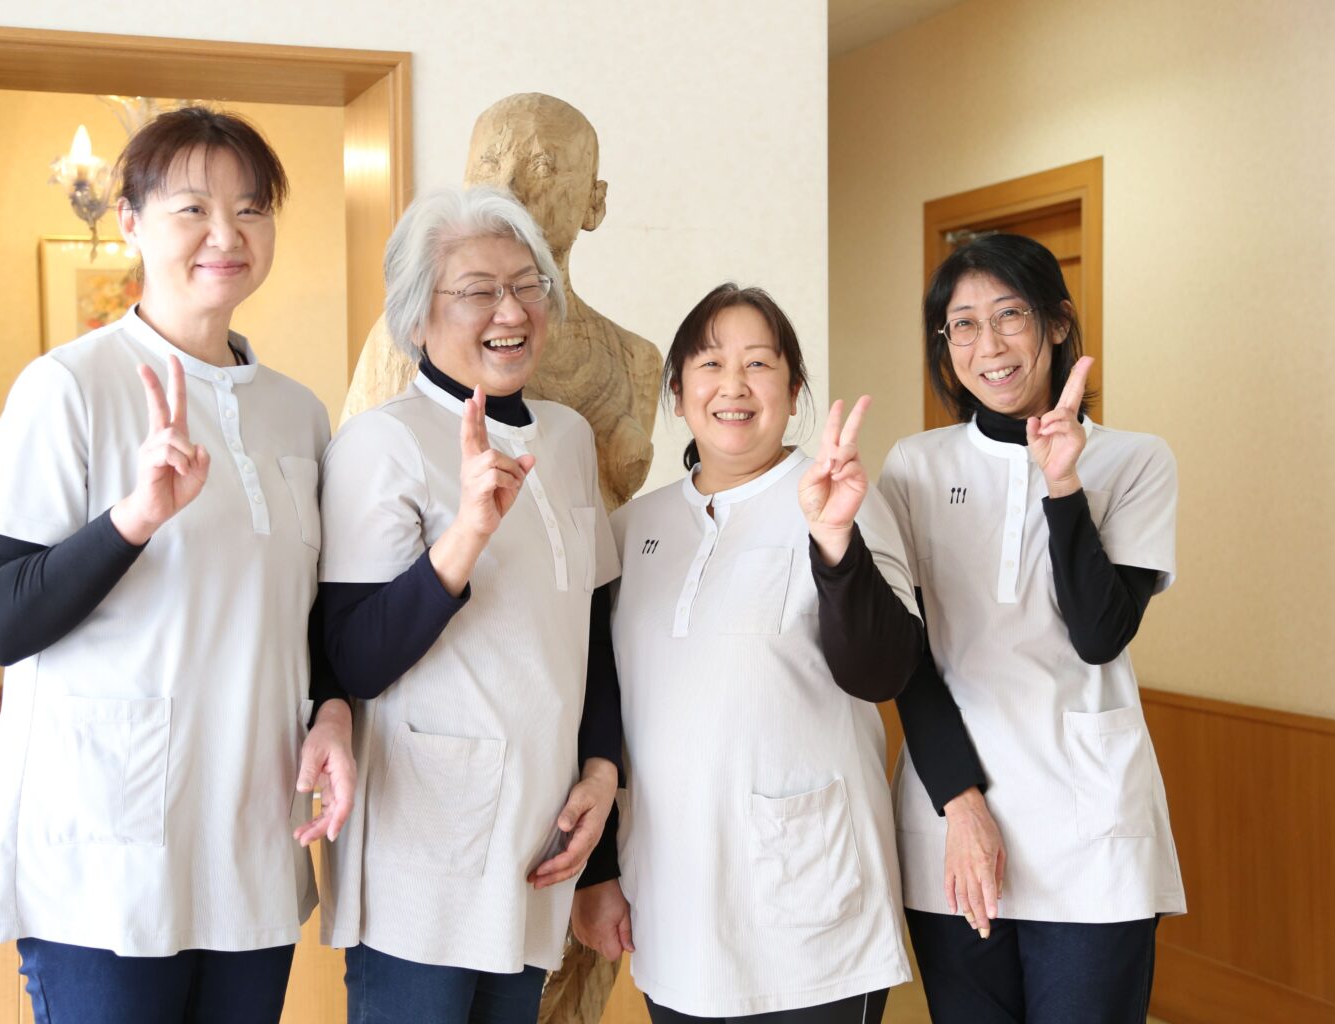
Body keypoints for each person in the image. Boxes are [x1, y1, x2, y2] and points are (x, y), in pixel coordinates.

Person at [0, 105, 356, 1024]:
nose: (228, 234)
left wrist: (334, 708)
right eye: (193, 209)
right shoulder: (67, 387)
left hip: (248, 847)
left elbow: (308, 613)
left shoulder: (299, 413)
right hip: (104, 863)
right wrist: (132, 519)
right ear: (131, 222)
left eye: (252, 209)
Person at [570, 284, 923, 1023]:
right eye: (710, 364)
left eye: (759, 363)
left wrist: (835, 542)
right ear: (677, 394)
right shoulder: (633, 530)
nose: (733, 384)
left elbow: (883, 671)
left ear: (793, 393)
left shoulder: (842, 500)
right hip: (676, 908)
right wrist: (596, 872)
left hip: (812, 911)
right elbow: (597, 706)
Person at [313, 184, 621, 1023]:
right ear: (417, 318)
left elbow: (592, 632)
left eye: (527, 285)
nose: (510, 311)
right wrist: (467, 536)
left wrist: (602, 770)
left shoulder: (567, 437)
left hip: (535, 836)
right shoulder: (381, 443)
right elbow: (354, 659)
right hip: (421, 848)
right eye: (478, 290)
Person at [882, 233, 1183, 1023]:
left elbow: (1100, 635)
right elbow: (908, 658)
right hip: (952, 815)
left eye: (1009, 315)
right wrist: (961, 806)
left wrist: (1063, 485)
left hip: (1091, 824)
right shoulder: (915, 467)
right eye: (964, 324)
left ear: (1056, 322)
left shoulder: (1136, 461)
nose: (989, 345)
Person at [340, 92, 662, 510]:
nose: (508, 186)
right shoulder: (413, 336)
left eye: (543, 167)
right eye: (489, 164)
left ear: (594, 203)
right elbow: (362, 498)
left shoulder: (635, 360)